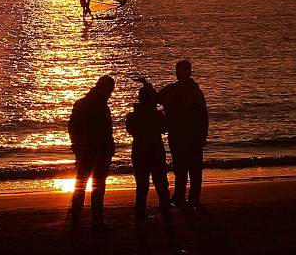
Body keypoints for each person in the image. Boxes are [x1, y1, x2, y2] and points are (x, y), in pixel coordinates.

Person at [138, 59, 208, 208]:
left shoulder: (195, 92)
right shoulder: (172, 90)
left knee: (194, 169)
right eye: (180, 70)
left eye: (185, 70)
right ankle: (179, 196)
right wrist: (147, 86)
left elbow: (203, 115)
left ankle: (193, 198)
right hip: (177, 135)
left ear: (189, 72)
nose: (182, 73)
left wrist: (203, 135)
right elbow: (157, 99)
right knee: (180, 168)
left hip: (193, 135)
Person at [68, 75, 115, 231]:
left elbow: (72, 129)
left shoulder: (81, 103)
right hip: (97, 150)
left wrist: (76, 146)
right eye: (110, 90)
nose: (110, 93)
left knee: (81, 185)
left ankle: (76, 220)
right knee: (97, 185)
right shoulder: (100, 105)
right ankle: (96, 221)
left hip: (86, 150)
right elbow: (106, 131)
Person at [126, 86, 172, 226]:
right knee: (161, 185)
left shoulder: (132, 116)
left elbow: (130, 131)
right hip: (156, 151)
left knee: (142, 186)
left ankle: (139, 215)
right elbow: (165, 128)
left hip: (139, 151)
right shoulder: (157, 115)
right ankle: (166, 214)